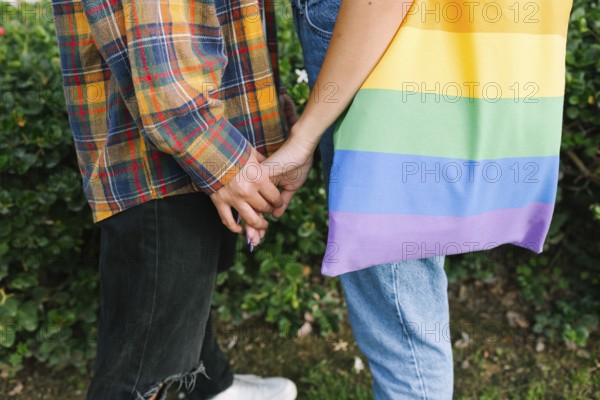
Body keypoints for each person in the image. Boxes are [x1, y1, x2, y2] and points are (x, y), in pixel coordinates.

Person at [50, 0, 298, 398]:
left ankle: (212, 386)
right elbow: (161, 32)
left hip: (182, 133)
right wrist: (214, 152)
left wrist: (264, 109)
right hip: (156, 153)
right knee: (139, 374)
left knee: (176, 304)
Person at [263, 0, 454, 398]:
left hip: (367, 26)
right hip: (360, 28)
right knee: (401, 300)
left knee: (401, 313)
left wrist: (304, 136)